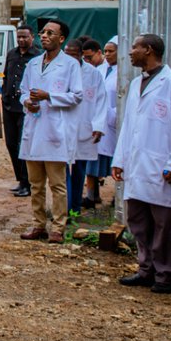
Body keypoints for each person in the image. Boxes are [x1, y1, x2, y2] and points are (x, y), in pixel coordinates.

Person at [112, 34, 171, 295]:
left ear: (148, 50)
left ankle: (165, 275)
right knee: (138, 220)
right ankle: (145, 268)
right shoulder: (137, 83)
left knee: (163, 225)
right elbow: (128, 126)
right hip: (137, 166)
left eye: (135, 47)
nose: (130, 52)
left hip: (162, 167)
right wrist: (120, 159)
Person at [18, 19, 82, 244]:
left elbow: (77, 96)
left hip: (56, 131)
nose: (44, 36)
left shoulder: (71, 65)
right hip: (34, 128)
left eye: (50, 33)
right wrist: (27, 101)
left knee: (57, 184)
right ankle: (38, 224)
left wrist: (49, 97)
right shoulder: (33, 63)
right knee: (35, 184)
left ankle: (58, 226)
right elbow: (23, 91)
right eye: (43, 32)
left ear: (61, 39)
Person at [64, 38, 106, 213]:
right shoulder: (61, 70)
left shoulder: (93, 73)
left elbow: (101, 100)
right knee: (63, 168)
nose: (70, 58)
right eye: (67, 54)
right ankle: (66, 206)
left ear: (81, 55)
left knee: (80, 169)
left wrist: (98, 126)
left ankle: (75, 207)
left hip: (84, 126)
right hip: (64, 127)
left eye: (74, 55)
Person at [1, 24, 39, 198]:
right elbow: (6, 75)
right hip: (9, 105)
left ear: (32, 37)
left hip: (25, 107)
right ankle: (20, 179)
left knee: (23, 144)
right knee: (11, 143)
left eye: (25, 37)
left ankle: (27, 182)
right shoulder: (12, 54)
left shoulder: (37, 56)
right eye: (19, 37)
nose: (22, 40)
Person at [84, 37, 120, 206]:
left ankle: (116, 197)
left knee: (117, 160)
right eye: (105, 51)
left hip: (114, 120)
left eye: (111, 51)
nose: (107, 54)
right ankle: (92, 195)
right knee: (93, 158)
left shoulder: (124, 71)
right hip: (98, 119)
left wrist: (113, 115)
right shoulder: (100, 69)